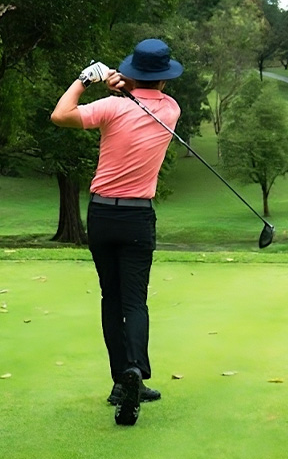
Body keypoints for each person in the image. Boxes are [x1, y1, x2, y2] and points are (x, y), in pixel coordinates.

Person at [50, 39, 183, 426]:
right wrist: (122, 85)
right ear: (164, 77)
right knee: (134, 302)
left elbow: (61, 115)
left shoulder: (110, 108)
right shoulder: (170, 111)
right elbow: (144, 96)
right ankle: (136, 372)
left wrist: (85, 79)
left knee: (111, 298)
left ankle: (119, 380)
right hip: (139, 218)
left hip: (102, 216)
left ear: (132, 71)